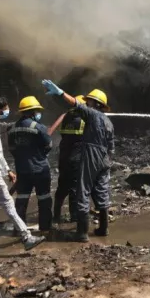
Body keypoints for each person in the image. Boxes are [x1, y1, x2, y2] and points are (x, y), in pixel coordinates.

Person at [42, 81, 114, 242]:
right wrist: (107, 162)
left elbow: (75, 103)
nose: (86, 103)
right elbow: (112, 146)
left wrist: (60, 93)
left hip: (92, 153)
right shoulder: (109, 122)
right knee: (101, 191)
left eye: (89, 101)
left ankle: (81, 233)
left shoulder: (92, 114)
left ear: (96, 104)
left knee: (83, 190)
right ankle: (103, 228)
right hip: (104, 158)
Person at [0, 96, 45, 253]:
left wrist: (8, 170)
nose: (7, 111)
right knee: (8, 203)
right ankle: (26, 237)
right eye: (5, 109)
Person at [7, 96, 53, 232]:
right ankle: (45, 228)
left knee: (21, 199)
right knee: (44, 198)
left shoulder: (12, 128)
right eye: (37, 111)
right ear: (33, 112)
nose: (38, 113)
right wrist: (39, 155)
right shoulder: (39, 127)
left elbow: (12, 149)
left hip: (22, 170)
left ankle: (19, 229)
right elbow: (49, 145)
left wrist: (22, 158)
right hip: (40, 169)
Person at [50, 95, 86, 224]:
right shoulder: (84, 119)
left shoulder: (66, 117)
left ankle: (56, 216)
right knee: (75, 189)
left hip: (64, 157)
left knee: (62, 187)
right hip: (76, 158)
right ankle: (74, 217)